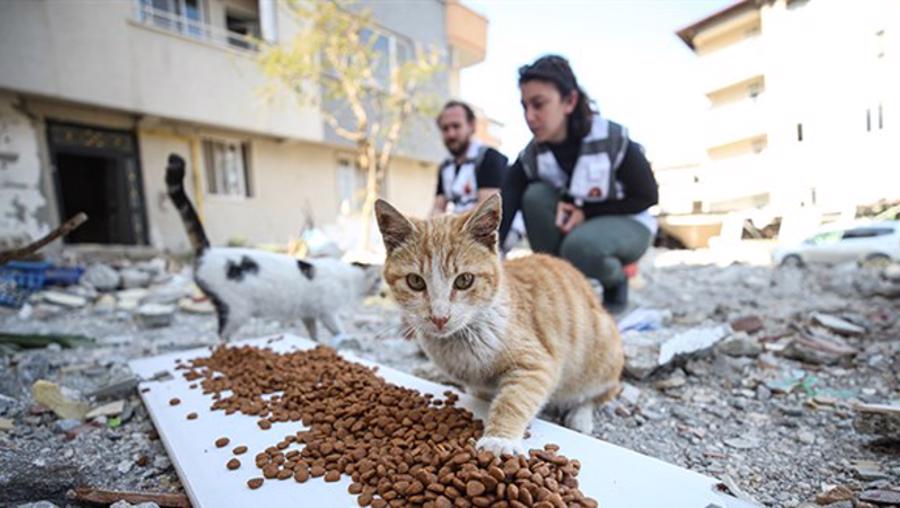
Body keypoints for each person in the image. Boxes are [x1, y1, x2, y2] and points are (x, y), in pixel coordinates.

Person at [499, 55, 659, 313]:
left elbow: (648, 196)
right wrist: (492, 253)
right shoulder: (531, 156)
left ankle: (616, 280)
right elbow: (508, 200)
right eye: (524, 106)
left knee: (580, 247)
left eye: (539, 104)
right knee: (535, 195)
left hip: (630, 223)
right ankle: (561, 290)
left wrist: (586, 212)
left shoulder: (612, 138)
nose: (530, 116)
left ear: (569, 101)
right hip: (575, 224)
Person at [432, 100, 508, 217]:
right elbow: (437, 208)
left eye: (456, 126)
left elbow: (486, 210)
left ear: (471, 126)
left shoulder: (489, 157)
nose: (451, 134)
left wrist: (448, 222)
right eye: (445, 129)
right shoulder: (445, 166)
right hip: (457, 228)